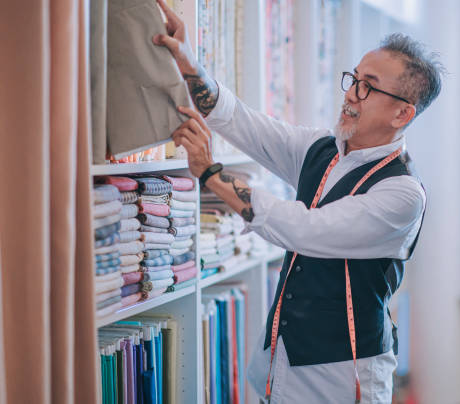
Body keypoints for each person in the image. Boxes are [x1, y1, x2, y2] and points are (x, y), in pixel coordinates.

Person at [152, 1, 442, 401]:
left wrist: (210, 174)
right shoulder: (321, 148)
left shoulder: (403, 194)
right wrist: (186, 60)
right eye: (353, 78)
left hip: (342, 379)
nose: (351, 95)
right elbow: (240, 120)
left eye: (367, 86)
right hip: (280, 363)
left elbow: (304, 229)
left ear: (401, 114)